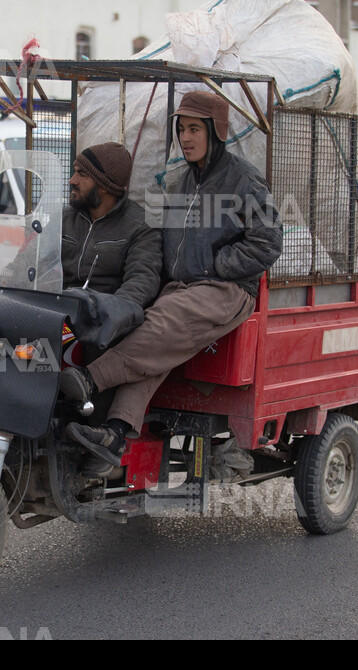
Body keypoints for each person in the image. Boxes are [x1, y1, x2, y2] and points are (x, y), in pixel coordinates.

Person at [60, 91, 283, 477]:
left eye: (195, 129)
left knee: (157, 328)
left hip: (225, 290)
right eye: (181, 129)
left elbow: (269, 242)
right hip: (182, 289)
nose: (186, 138)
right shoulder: (181, 183)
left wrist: (218, 264)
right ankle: (114, 433)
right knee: (155, 349)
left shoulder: (243, 180)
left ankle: (88, 380)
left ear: (216, 132)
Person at [61, 142, 162, 309]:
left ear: (103, 186)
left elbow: (141, 282)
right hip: (56, 312)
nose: (73, 180)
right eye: (74, 172)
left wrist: (107, 316)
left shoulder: (141, 228)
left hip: (102, 318)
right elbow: (30, 263)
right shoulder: (65, 218)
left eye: (81, 174)